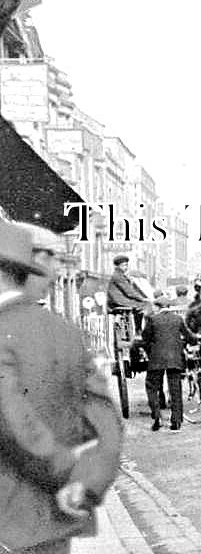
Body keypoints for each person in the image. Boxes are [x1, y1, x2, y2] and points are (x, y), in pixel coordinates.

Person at [0, 220, 123, 554]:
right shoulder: (65, 332)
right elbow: (105, 421)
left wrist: (65, 470)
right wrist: (85, 481)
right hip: (54, 519)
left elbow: (12, 419)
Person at [141, 295, 195, 432]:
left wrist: (150, 349)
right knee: (175, 390)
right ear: (169, 307)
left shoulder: (152, 319)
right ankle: (176, 421)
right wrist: (189, 343)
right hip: (175, 358)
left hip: (156, 359)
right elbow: (189, 336)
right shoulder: (178, 319)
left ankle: (157, 417)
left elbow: (145, 338)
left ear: (158, 307)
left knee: (152, 387)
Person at [105, 255, 151, 330]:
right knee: (144, 305)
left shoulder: (119, 275)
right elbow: (129, 292)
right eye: (124, 265)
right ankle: (138, 329)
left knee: (141, 305)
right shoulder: (118, 276)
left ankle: (136, 328)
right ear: (119, 266)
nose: (126, 267)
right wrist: (143, 299)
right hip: (119, 301)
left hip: (118, 300)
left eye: (127, 265)